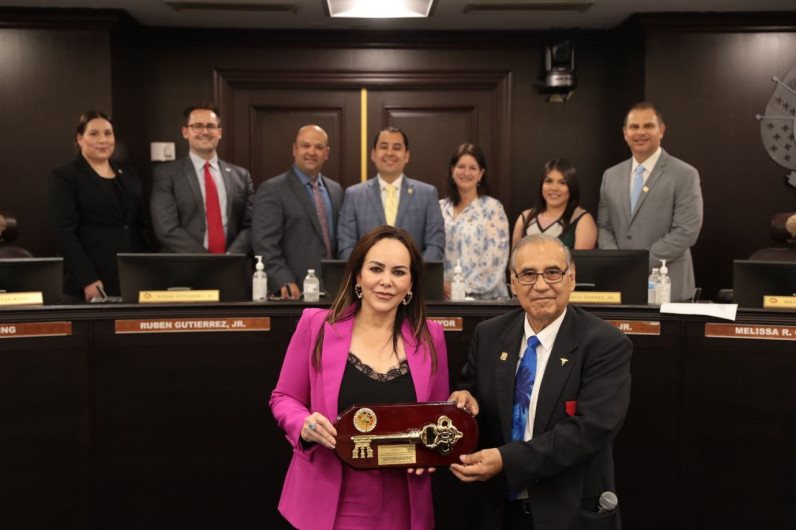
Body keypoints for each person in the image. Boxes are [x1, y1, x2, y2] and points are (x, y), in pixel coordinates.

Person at [270, 226, 449, 530]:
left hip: (402, 502)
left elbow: (438, 413)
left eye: (399, 272)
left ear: (411, 284)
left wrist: (434, 450)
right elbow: (283, 398)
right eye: (376, 269)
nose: (386, 281)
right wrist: (304, 424)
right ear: (358, 276)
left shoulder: (431, 337)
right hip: (329, 498)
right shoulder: (316, 326)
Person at [449, 234, 632, 530]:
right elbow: (472, 395)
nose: (541, 285)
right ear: (513, 282)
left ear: (571, 278)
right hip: (497, 512)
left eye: (553, 272)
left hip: (568, 514)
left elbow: (590, 430)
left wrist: (506, 460)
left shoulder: (605, 344)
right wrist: (463, 400)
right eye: (528, 274)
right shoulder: (489, 335)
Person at [597, 102, 703, 301]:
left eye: (648, 126)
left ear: (661, 131)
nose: (640, 132)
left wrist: (637, 264)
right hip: (621, 285)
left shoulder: (684, 174)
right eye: (634, 127)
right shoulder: (610, 176)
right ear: (625, 133)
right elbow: (604, 227)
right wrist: (618, 263)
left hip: (670, 289)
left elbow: (687, 230)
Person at [47, 110, 152, 302]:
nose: (103, 140)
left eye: (108, 133)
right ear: (80, 139)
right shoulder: (65, 176)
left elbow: (141, 225)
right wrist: (88, 279)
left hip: (131, 278)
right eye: (94, 134)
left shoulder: (129, 174)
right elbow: (63, 233)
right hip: (89, 282)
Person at [252, 125, 343, 299]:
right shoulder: (273, 189)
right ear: (295, 149)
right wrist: (282, 279)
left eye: (318, 147)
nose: (312, 152)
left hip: (332, 292)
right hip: (293, 292)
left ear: (327, 153)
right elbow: (264, 243)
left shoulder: (336, 190)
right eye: (305, 145)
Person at [150, 102, 254, 254]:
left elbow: (251, 225)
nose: (205, 132)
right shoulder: (166, 175)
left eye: (211, 126)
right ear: (185, 132)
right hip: (184, 268)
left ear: (219, 132)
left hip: (230, 266)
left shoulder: (241, 176)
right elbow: (166, 228)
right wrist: (207, 260)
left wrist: (230, 257)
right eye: (197, 126)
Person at [337, 127, 445, 261]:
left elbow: (435, 244)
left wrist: (413, 275)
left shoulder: (427, 194)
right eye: (384, 147)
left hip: (415, 279)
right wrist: (368, 272)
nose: (390, 153)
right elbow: (346, 246)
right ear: (373, 154)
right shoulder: (353, 195)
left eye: (397, 147)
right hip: (367, 279)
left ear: (406, 156)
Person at [439, 143, 509, 300]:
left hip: (485, 300)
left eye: (473, 168)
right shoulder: (439, 208)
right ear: (452, 170)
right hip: (443, 298)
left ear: (481, 173)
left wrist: (460, 287)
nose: (466, 172)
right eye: (461, 166)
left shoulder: (493, 209)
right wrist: (440, 285)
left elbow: (495, 259)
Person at [511, 159, 597, 250]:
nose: (554, 188)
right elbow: (514, 262)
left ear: (572, 187)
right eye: (549, 181)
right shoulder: (525, 218)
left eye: (562, 182)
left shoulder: (582, 219)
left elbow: (581, 263)